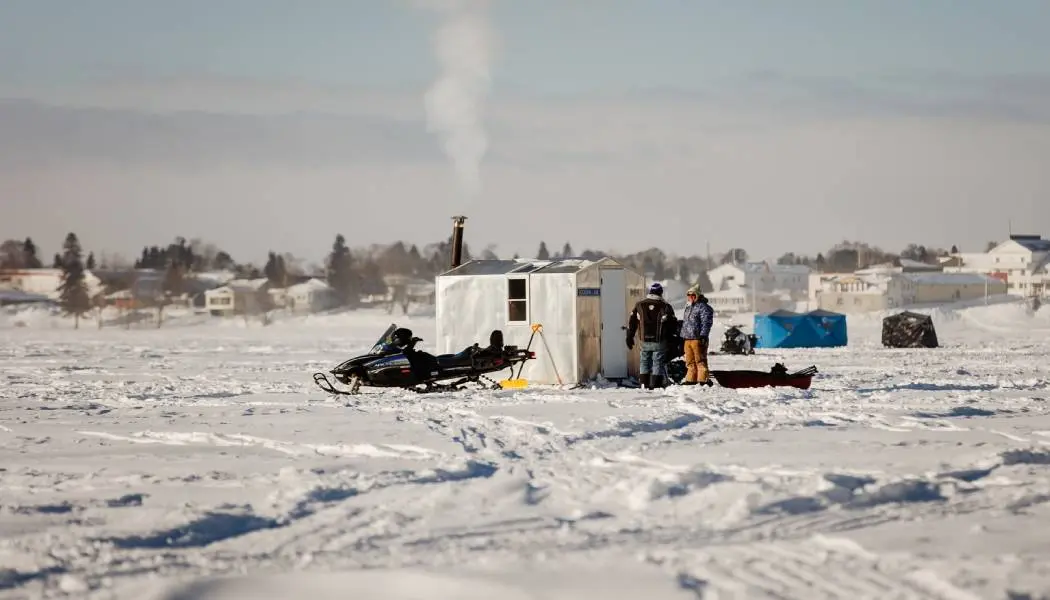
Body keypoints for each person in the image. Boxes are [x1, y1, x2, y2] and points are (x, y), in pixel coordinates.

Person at [626, 282, 678, 389]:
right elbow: (672, 323)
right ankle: (656, 385)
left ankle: (644, 384)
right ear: (660, 293)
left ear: (650, 292)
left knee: (644, 361)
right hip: (659, 340)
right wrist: (671, 337)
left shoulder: (639, 305)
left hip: (644, 340)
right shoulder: (665, 306)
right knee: (657, 362)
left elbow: (632, 321)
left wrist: (630, 336)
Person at [679, 287, 714, 385]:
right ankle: (691, 380)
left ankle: (703, 380)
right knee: (690, 362)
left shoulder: (704, 307)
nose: (691, 297)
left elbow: (706, 323)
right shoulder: (689, 307)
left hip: (698, 339)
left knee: (700, 361)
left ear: (698, 295)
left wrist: (703, 335)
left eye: (693, 295)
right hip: (687, 338)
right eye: (689, 295)